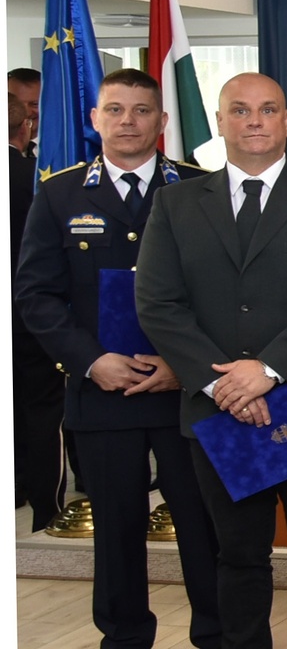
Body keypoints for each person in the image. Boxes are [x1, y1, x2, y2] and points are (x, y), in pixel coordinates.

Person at [135, 72, 287, 649]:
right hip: (219, 409)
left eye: (268, 109)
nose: (255, 121)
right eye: (239, 110)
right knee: (239, 555)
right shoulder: (175, 203)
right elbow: (157, 303)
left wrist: (264, 371)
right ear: (220, 123)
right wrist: (223, 384)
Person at [15, 68, 223, 648]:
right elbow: (36, 294)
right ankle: (124, 638)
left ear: (162, 120)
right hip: (103, 394)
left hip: (187, 394)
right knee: (116, 532)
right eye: (114, 109)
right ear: (94, 119)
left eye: (141, 110)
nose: (127, 121)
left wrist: (186, 365)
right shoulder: (59, 194)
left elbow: (225, 293)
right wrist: (90, 362)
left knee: (204, 526)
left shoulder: (200, 189)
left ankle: (218, 635)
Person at [11, 66, 68, 532]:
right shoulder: (34, 178)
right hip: (30, 309)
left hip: (31, 309)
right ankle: (44, 506)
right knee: (40, 408)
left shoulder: (39, 171)